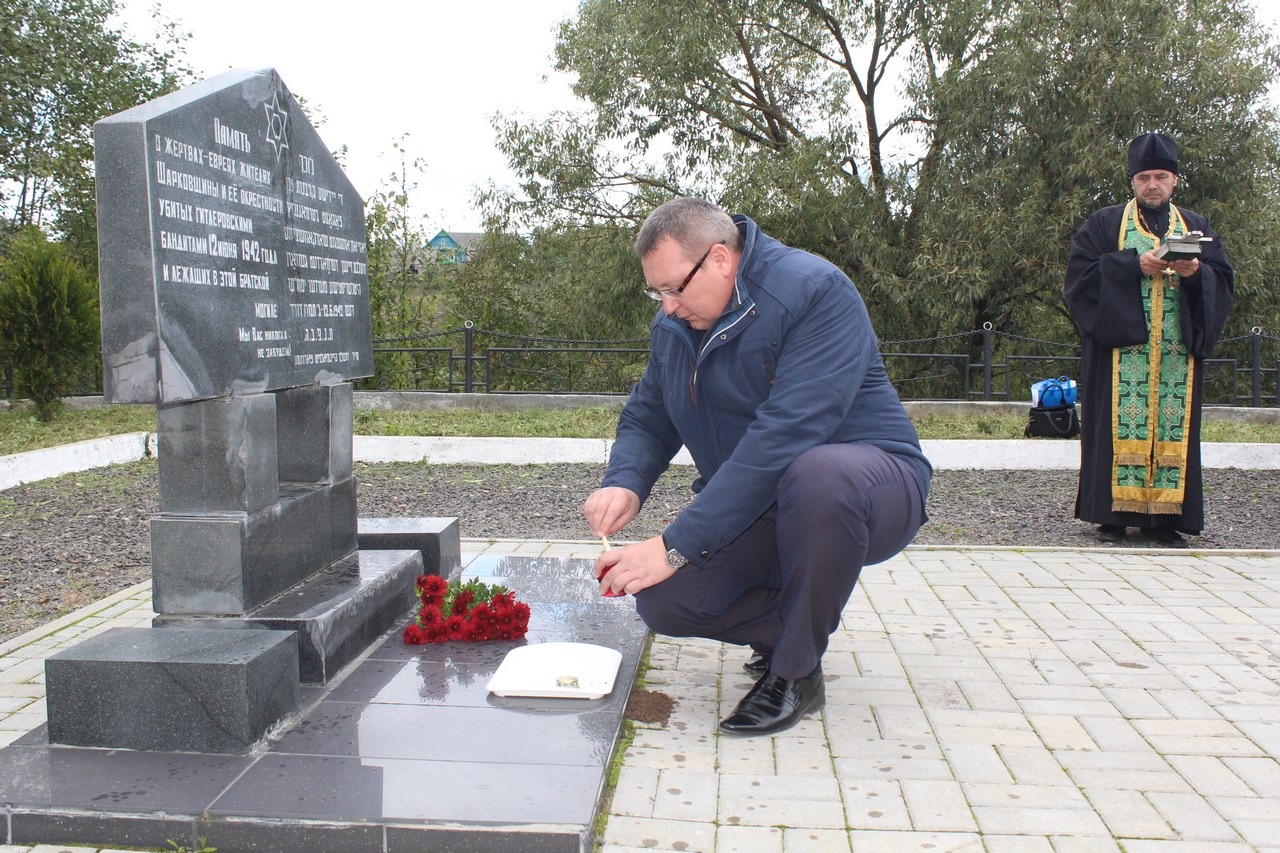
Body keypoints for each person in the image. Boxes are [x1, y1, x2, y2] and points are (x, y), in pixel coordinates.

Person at [584, 197, 932, 736]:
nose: (667, 307)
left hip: (867, 488)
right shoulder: (678, 323)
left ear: (720, 259)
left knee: (820, 474)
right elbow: (650, 413)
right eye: (657, 292)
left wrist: (675, 544)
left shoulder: (815, 292)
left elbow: (785, 436)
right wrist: (624, 482)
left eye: (674, 288)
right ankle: (792, 632)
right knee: (665, 600)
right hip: (761, 503)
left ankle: (795, 672)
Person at [1064, 132, 1234, 548]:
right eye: (1144, 178)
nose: (1152, 185)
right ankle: (1111, 516)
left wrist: (1197, 275)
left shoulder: (1195, 226)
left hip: (1176, 354)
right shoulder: (1105, 223)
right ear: (1133, 181)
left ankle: (1166, 520)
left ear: (1174, 180)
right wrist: (1132, 265)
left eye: (1160, 176)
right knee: (1111, 429)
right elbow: (1079, 279)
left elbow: (1223, 280)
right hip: (1120, 353)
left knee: (1174, 430)